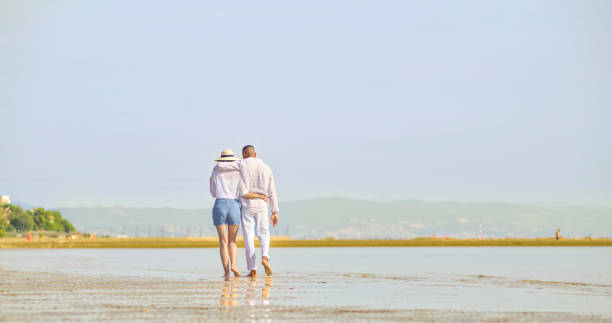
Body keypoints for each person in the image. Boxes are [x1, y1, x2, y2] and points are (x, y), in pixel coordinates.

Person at [214, 145, 279, 277]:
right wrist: (274, 211)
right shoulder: (267, 168)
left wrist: (217, 166)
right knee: (264, 233)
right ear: (255, 153)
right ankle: (265, 257)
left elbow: (224, 167)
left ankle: (253, 269)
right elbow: (272, 191)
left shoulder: (241, 164)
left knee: (249, 236)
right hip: (262, 203)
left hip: (247, 203)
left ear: (243, 155)